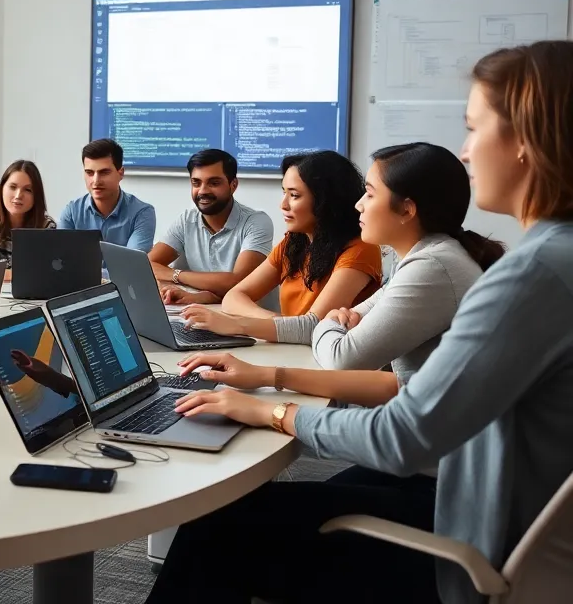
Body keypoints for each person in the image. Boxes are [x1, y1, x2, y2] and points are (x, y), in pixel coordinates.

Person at [151, 41, 573, 604]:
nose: (467, 154)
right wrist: (266, 375)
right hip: (477, 496)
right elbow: (386, 373)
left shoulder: (532, 275)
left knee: (214, 526)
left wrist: (272, 411)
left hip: (467, 536)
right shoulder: (547, 258)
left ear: (527, 141)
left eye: (474, 129)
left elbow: (402, 433)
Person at [295, 142, 503, 377]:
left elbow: (342, 359)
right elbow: (356, 321)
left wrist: (326, 324)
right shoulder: (425, 256)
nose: (359, 204)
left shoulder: (432, 267)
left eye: (370, 194)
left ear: (406, 210)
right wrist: (335, 323)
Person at [180, 150, 382, 343]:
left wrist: (239, 324)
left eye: (294, 195)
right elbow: (234, 296)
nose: (283, 205)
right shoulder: (293, 242)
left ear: (326, 201)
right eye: (284, 192)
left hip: (328, 363)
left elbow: (314, 326)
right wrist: (280, 322)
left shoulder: (360, 250)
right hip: (290, 349)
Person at [148, 149, 275, 305]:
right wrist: (175, 290)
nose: (203, 191)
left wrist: (176, 275)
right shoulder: (187, 220)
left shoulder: (256, 222)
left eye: (214, 183)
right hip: (198, 315)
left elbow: (239, 282)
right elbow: (148, 266)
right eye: (196, 183)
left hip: (246, 322)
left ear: (233, 185)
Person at [58, 138, 155, 251]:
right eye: (89, 173)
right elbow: (63, 260)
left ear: (121, 173)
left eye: (104, 172)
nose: (96, 181)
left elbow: (131, 266)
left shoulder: (141, 213)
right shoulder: (72, 212)